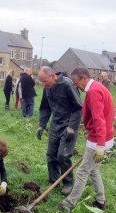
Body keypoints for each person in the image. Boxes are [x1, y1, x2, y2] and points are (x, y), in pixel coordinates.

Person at [59, 66, 115, 211]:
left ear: (84, 78)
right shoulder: (96, 88)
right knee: (93, 170)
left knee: (82, 172)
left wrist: (100, 146)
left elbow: (99, 120)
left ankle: (68, 204)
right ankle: (101, 201)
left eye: (76, 82)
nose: (75, 85)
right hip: (99, 137)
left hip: (98, 140)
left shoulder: (94, 92)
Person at [37, 66, 83, 195]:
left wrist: (72, 127)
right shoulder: (48, 88)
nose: (44, 85)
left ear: (53, 76)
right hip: (55, 125)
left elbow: (78, 108)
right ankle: (54, 181)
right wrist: (42, 124)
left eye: (45, 81)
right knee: (51, 155)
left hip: (68, 126)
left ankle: (68, 183)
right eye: (42, 82)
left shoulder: (67, 84)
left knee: (63, 156)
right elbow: (45, 107)